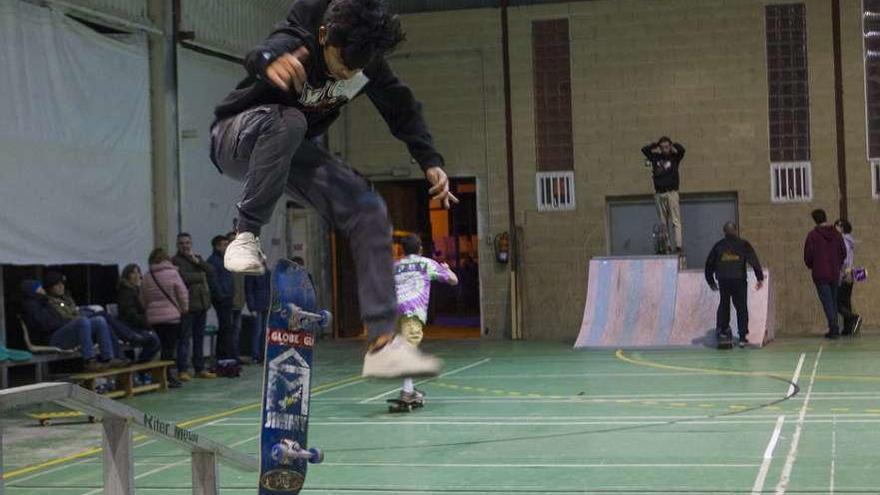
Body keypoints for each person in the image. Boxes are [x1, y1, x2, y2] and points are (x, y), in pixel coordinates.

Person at [210, 0, 453, 377]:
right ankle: (245, 234)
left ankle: (382, 343)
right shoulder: (303, 36)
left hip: (288, 156)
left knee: (367, 206)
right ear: (325, 37)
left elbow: (401, 106)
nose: (345, 75)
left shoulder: (364, 65)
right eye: (340, 64)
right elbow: (266, 48)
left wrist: (430, 160)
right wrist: (268, 60)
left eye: (354, 71)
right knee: (289, 121)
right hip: (237, 136)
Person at [393, 234, 458, 403]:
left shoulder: (395, 266)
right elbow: (453, 280)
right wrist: (447, 268)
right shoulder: (426, 263)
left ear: (401, 249)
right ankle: (407, 392)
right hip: (412, 311)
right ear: (420, 248)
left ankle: (409, 388)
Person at [19, 278, 119, 371]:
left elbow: (57, 319)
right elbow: (44, 325)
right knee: (82, 321)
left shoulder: (44, 302)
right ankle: (89, 360)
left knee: (99, 320)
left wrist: (65, 322)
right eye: (39, 287)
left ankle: (108, 358)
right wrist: (66, 323)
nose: (43, 289)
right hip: (50, 339)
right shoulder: (31, 306)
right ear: (34, 290)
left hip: (59, 332)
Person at [704, 222, 765, 348]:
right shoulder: (743, 244)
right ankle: (742, 337)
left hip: (724, 279)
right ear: (736, 230)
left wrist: (710, 281)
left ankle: (723, 332)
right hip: (739, 279)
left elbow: (709, 264)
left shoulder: (719, 246)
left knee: (724, 304)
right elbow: (753, 260)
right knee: (741, 307)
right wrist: (759, 277)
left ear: (724, 232)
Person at [172, 233, 217, 379]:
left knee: (199, 338)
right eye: (182, 243)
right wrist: (200, 276)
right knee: (184, 339)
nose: (185, 246)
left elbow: (211, 272)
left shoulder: (197, 258)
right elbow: (183, 278)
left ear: (191, 244)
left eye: (187, 243)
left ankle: (199, 368)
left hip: (202, 304)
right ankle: (182, 370)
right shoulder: (175, 261)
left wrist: (198, 262)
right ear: (178, 245)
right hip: (187, 306)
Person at [143, 248, 190, 387]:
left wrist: (149, 310)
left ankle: (157, 376)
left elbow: (143, 297)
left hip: (153, 318)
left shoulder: (147, 276)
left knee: (159, 346)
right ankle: (167, 376)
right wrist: (184, 308)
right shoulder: (173, 273)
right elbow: (182, 293)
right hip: (172, 317)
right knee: (169, 349)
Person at [804, 209, 847, 340]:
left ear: (814, 220)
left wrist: (813, 265)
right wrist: (837, 265)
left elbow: (808, 256)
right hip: (834, 272)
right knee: (833, 300)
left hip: (820, 273)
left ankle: (833, 328)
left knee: (827, 301)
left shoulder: (812, 235)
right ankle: (834, 327)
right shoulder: (836, 234)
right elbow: (843, 252)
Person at [641, 137, 686, 253]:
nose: (664, 149)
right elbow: (644, 150)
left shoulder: (674, 158)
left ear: (670, 147)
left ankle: (678, 246)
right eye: (662, 147)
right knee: (663, 222)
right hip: (659, 193)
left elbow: (682, 150)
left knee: (675, 220)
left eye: (666, 147)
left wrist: (673, 145)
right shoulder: (656, 157)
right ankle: (667, 246)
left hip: (672, 192)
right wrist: (654, 145)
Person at [110, 264, 161, 363]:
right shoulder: (126, 291)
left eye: (138, 272)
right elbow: (130, 314)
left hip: (138, 325)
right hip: (130, 327)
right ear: (127, 275)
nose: (137, 275)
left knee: (157, 340)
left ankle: (142, 367)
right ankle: (141, 368)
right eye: (133, 272)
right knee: (154, 340)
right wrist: (147, 324)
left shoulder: (137, 290)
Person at [207, 235, 237, 362]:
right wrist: (221, 296)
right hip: (222, 298)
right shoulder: (213, 261)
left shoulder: (224, 259)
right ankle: (223, 356)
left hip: (227, 296)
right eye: (224, 245)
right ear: (217, 246)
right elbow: (214, 282)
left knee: (227, 327)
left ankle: (228, 354)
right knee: (225, 327)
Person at [834, 219, 862, 336]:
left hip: (844, 274)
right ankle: (847, 329)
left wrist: (841, 272)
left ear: (841, 227)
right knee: (846, 303)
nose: (834, 227)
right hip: (850, 273)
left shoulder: (843, 241)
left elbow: (844, 259)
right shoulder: (849, 240)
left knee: (837, 303)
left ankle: (854, 317)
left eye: (837, 225)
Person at [245, 264, 271, 363]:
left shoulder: (268, 272)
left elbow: (271, 289)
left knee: (265, 331)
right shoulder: (252, 273)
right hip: (257, 306)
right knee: (257, 331)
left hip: (266, 305)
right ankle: (255, 355)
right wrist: (251, 308)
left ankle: (264, 354)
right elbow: (249, 290)